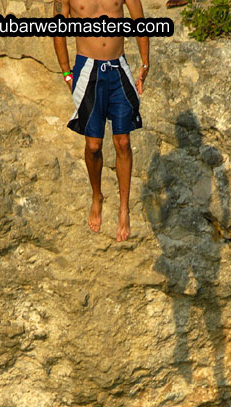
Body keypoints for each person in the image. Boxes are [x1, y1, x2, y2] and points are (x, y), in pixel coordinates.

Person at [53, 0, 149, 242]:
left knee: (123, 142)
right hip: (87, 70)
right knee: (94, 145)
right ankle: (97, 195)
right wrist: (66, 71)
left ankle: (124, 208)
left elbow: (139, 21)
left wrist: (145, 62)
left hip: (119, 68)